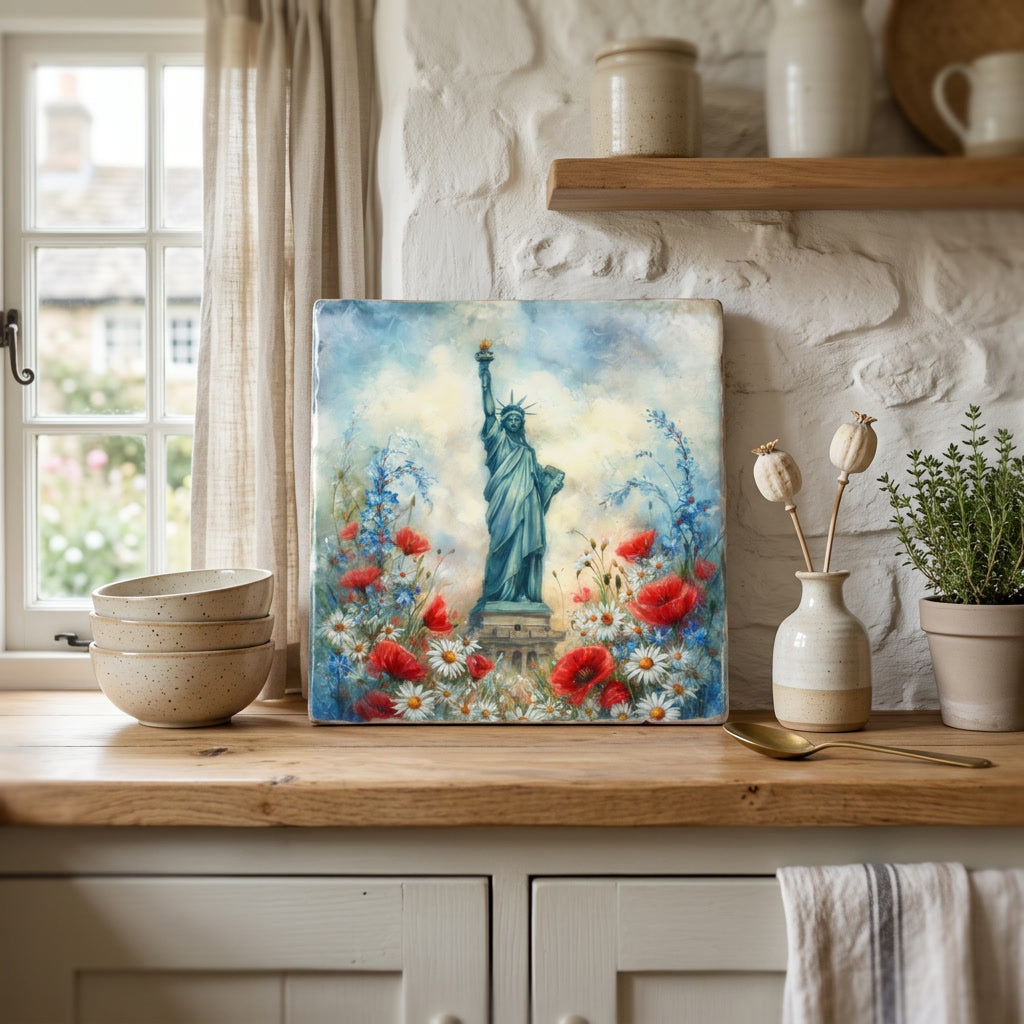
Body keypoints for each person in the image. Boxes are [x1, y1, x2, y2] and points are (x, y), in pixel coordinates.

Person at [474, 346, 564, 608]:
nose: (514, 421)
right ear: (503, 423)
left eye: (518, 419)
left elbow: (539, 482)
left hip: (528, 506)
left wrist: (551, 484)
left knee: (526, 546)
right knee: (503, 544)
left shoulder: (528, 452)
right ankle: (499, 592)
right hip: (505, 503)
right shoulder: (498, 442)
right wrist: (485, 374)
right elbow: (490, 412)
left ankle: (522, 592)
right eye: (510, 418)